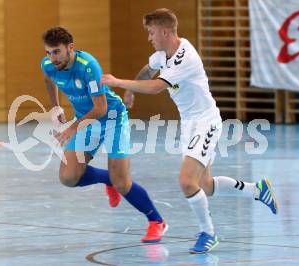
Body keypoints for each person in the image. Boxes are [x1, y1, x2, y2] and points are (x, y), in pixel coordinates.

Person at [100, 8, 278, 253]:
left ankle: (208, 233)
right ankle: (258, 191)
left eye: (151, 33)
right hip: (190, 124)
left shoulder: (186, 56)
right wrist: (130, 91)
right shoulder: (162, 54)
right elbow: (149, 69)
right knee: (205, 186)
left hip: (205, 122)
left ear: (165, 31)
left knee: (186, 182)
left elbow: (154, 87)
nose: (149, 38)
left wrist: (119, 83)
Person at [40, 26, 168, 243]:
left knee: (123, 184)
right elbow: (49, 80)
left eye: (57, 52)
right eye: (48, 52)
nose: (52, 58)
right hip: (87, 121)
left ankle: (156, 221)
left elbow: (100, 109)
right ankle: (108, 178)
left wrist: (72, 128)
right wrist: (56, 107)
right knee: (68, 177)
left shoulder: (88, 67)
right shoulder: (48, 65)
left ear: (70, 48)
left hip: (112, 119)